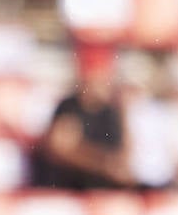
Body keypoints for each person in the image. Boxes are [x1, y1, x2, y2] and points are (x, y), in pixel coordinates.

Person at [32, 46, 134, 191]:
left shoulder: (113, 111)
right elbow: (60, 149)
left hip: (100, 191)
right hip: (71, 189)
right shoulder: (70, 107)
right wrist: (102, 163)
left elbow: (124, 159)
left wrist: (124, 112)